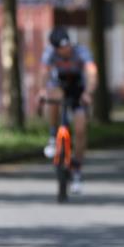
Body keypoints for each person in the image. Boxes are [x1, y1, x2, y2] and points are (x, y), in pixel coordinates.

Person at [39, 27, 98, 194]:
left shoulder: (81, 51)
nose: (66, 50)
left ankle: (77, 170)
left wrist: (89, 92)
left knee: (80, 130)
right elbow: (43, 72)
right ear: (55, 48)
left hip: (78, 91)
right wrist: (41, 90)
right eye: (62, 48)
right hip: (58, 87)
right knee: (53, 96)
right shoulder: (50, 54)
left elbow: (92, 72)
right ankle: (52, 136)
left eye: (67, 46)